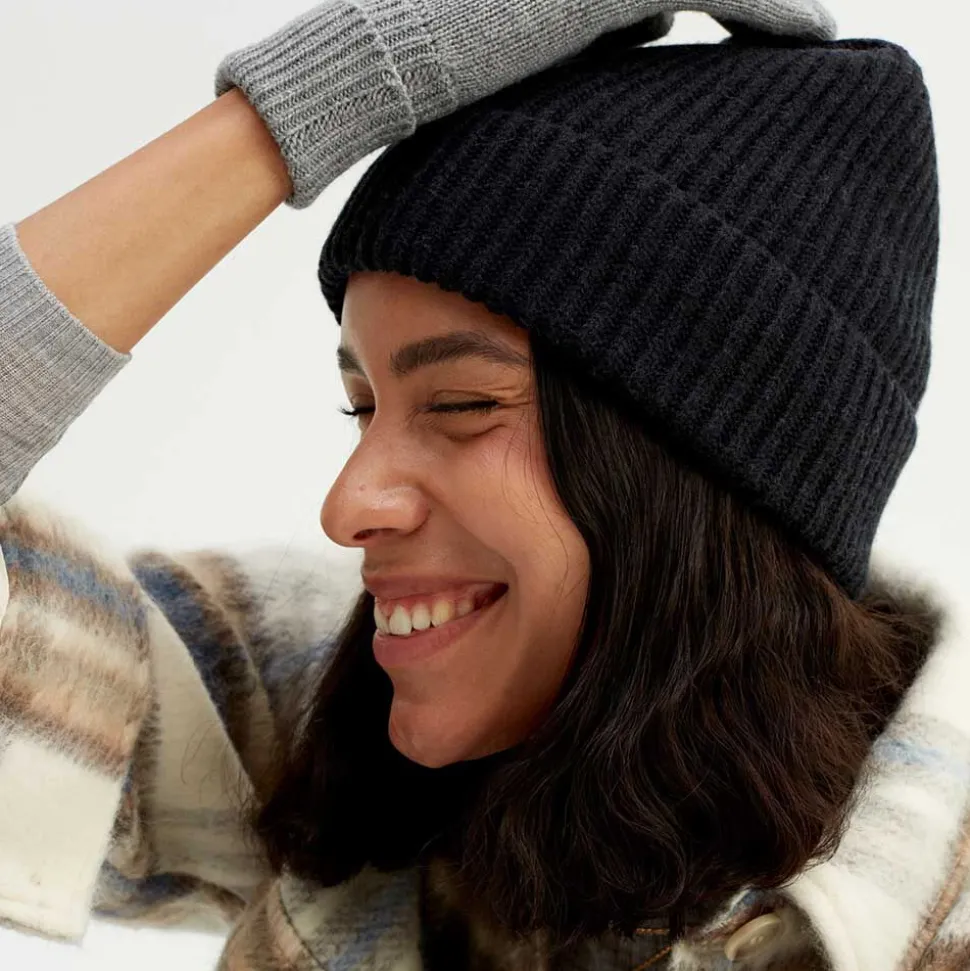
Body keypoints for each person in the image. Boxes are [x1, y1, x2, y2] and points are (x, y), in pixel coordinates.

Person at [0, 1, 966, 969]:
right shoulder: (321, 720)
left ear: (699, 470)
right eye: (361, 406)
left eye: (461, 404)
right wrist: (316, 100)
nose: (346, 505)